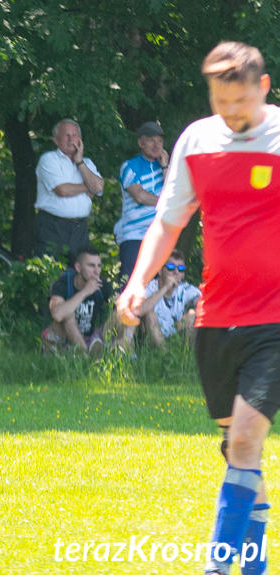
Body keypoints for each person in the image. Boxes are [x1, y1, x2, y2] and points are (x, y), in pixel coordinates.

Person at [117, 42, 277, 575]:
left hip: (274, 318)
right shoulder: (196, 140)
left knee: (249, 435)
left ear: (263, 87)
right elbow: (167, 221)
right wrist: (138, 281)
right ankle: (253, 562)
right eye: (219, 100)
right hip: (217, 318)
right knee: (237, 451)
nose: (229, 112)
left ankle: (217, 566)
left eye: (239, 101)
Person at [33, 119, 104, 259]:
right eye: (66, 135)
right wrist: (87, 187)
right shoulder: (49, 159)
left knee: (80, 275)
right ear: (56, 140)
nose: (71, 139)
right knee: (51, 274)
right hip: (51, 226)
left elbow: (98, 187)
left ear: (80, 139)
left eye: (75, 135)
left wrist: (79, 162)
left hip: (79, 229)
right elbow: (62, 190)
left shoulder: (87, 163)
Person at [113, 121, 169, 280]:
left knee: (156, 288)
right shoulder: (130, 166)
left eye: (160, 140)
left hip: (159, 238)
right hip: (134, 236)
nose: (156, 145)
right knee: (131, 285)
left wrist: (165, 166)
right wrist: (164, 201)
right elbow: (140, 196)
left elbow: (173, 194)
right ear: (141, 143)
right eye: (151, 140)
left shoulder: (164, 168)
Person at [41, 245, 112, 356]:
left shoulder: (102, 285)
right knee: (67, 315)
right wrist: (85, 292)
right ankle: (85, 355)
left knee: (121, 315)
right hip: (61, 336)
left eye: (99, 266)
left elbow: (120, 305)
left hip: (88, 337)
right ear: (78, 268)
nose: (96, 271)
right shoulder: (64, 283)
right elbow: (58, 314)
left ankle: (123, 355)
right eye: (91, 266)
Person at [139, 250, 200, 348]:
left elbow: (203, 303)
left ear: (183, 274)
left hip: (173, 334)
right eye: (171, 267)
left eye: (181, 269)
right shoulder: (150, 287)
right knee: (150, 314)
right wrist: (165, 288)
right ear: (159, 270)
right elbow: (139, 310)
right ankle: (164, 355)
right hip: (152, 336)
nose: (176, 272)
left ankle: (184, 356)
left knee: (192, 315)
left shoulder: (185, 289)